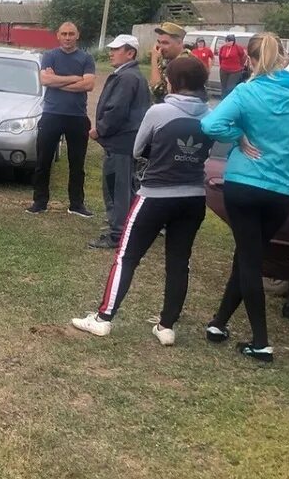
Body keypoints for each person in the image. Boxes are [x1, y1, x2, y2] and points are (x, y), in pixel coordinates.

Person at [201, 33, 289, 363]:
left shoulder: (246, 91)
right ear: (285, 58)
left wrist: (238, 137)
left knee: (249, 259)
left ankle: (261, 341)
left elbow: (211, 124)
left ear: (250, 60)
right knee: (247, 254)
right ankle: (219, 323)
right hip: (281, 191)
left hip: (244, 185)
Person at [72, 57, 213, 343]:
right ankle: (167, 326)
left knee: (127, 256)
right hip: (194, 197)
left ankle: (103, 318)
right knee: (178, 261)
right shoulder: (210, 114)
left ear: (174, 81)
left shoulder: (159, 111)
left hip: (156, 195)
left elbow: (137, 150)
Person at [88, 35, 151, 249]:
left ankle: (118, 234)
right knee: (126, 187)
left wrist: (101, 130)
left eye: (116, 49)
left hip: (121, 143)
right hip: (127, 142)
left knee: (117, 187)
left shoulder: (127, 78)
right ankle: (129, 228)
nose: (111, 53)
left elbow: (117, 111)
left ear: (130, 53)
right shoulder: (132, 75)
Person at [27, 22, 96, 217]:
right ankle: (39, 201)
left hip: (77, 116)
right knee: (43, 160)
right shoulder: (49, 56)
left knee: (77, 163)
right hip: (52, 114)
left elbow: (89, 84)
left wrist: (59, 81)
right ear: (58, 35)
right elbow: (45, 81)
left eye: (71, 34)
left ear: (77, 35)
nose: (67, 37)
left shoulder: (86, 57)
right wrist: (76, 78)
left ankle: (76, 204)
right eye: (64, 34)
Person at [149, 21, 192, 104]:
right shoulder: (168, 59)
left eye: (165, 43)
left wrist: (154, 59)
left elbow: (158, 91)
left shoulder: (184, 63)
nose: (160, 47)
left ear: (179, 43)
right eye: (159, 42)